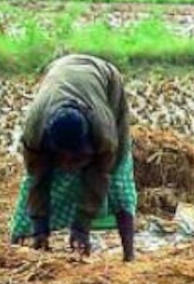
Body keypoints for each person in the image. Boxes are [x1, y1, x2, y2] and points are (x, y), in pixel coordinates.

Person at [8, 54, 136, 262]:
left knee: (118, 177)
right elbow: (37, 179)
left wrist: (82, 226)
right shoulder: (34, 133)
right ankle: (19, 243)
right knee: (37, 180)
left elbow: (100, 175)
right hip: (58, 70)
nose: (68, 163)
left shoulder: (104, 134)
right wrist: (40, 227)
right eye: (62, 157)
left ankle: (129, 255)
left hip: (105, 78)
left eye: (75, 156)